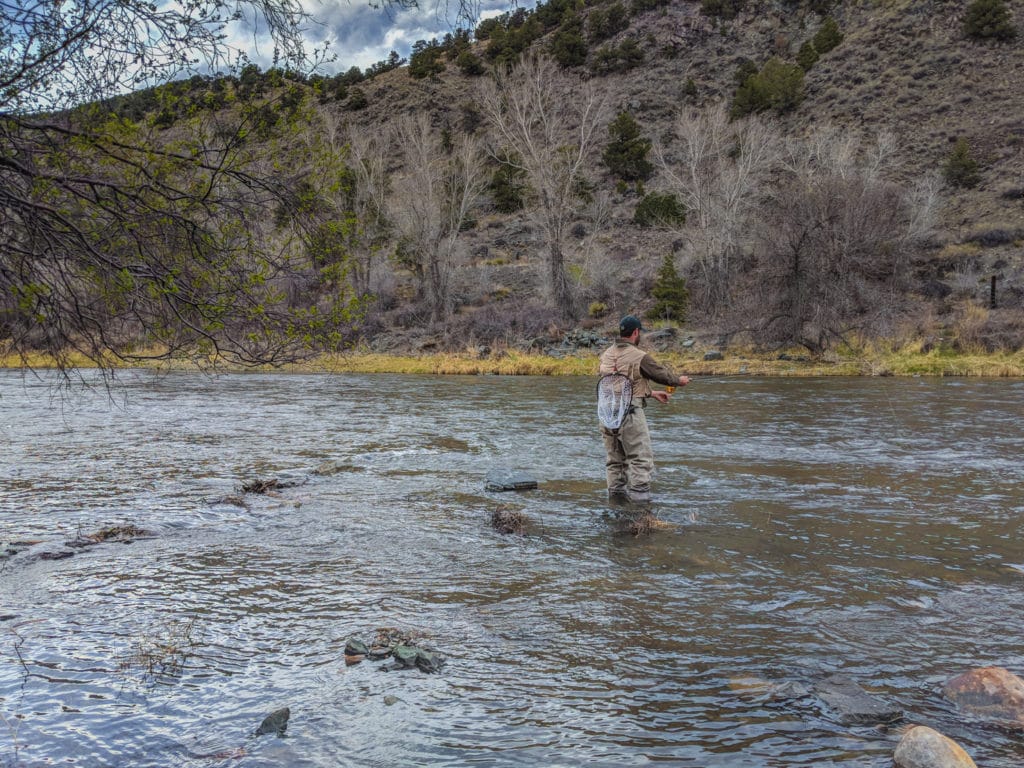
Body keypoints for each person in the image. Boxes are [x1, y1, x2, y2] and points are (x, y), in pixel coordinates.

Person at [598, 315, 690, 502]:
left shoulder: (607, 354)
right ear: (636, 332)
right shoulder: (639, 356)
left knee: (615, 461)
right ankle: (641, 509)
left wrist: (651, 393)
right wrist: (679, 381)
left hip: (606, 414)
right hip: (630, 414)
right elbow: (662, 375)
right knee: (640, 459)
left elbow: (618, 384)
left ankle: (616, 505)